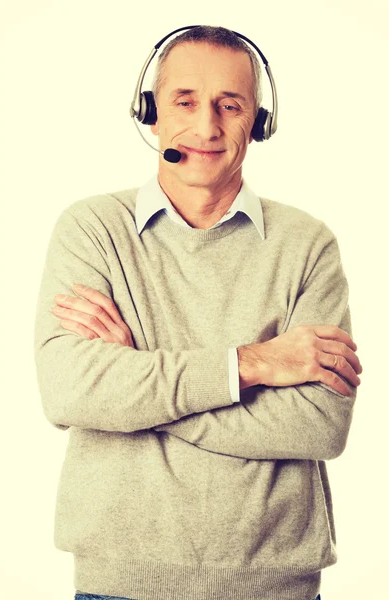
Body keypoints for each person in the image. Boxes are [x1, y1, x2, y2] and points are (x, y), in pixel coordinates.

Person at [33, 25, 362, 600]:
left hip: (274, 586)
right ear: (150, 113)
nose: (206, 126)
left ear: (258, 123)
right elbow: (69, 392)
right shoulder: (92, 231)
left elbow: (320, 425)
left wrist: (136, 382)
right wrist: (249, 366)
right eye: (185, 101)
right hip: (118, 584)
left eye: (229, 105)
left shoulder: (308, 245)